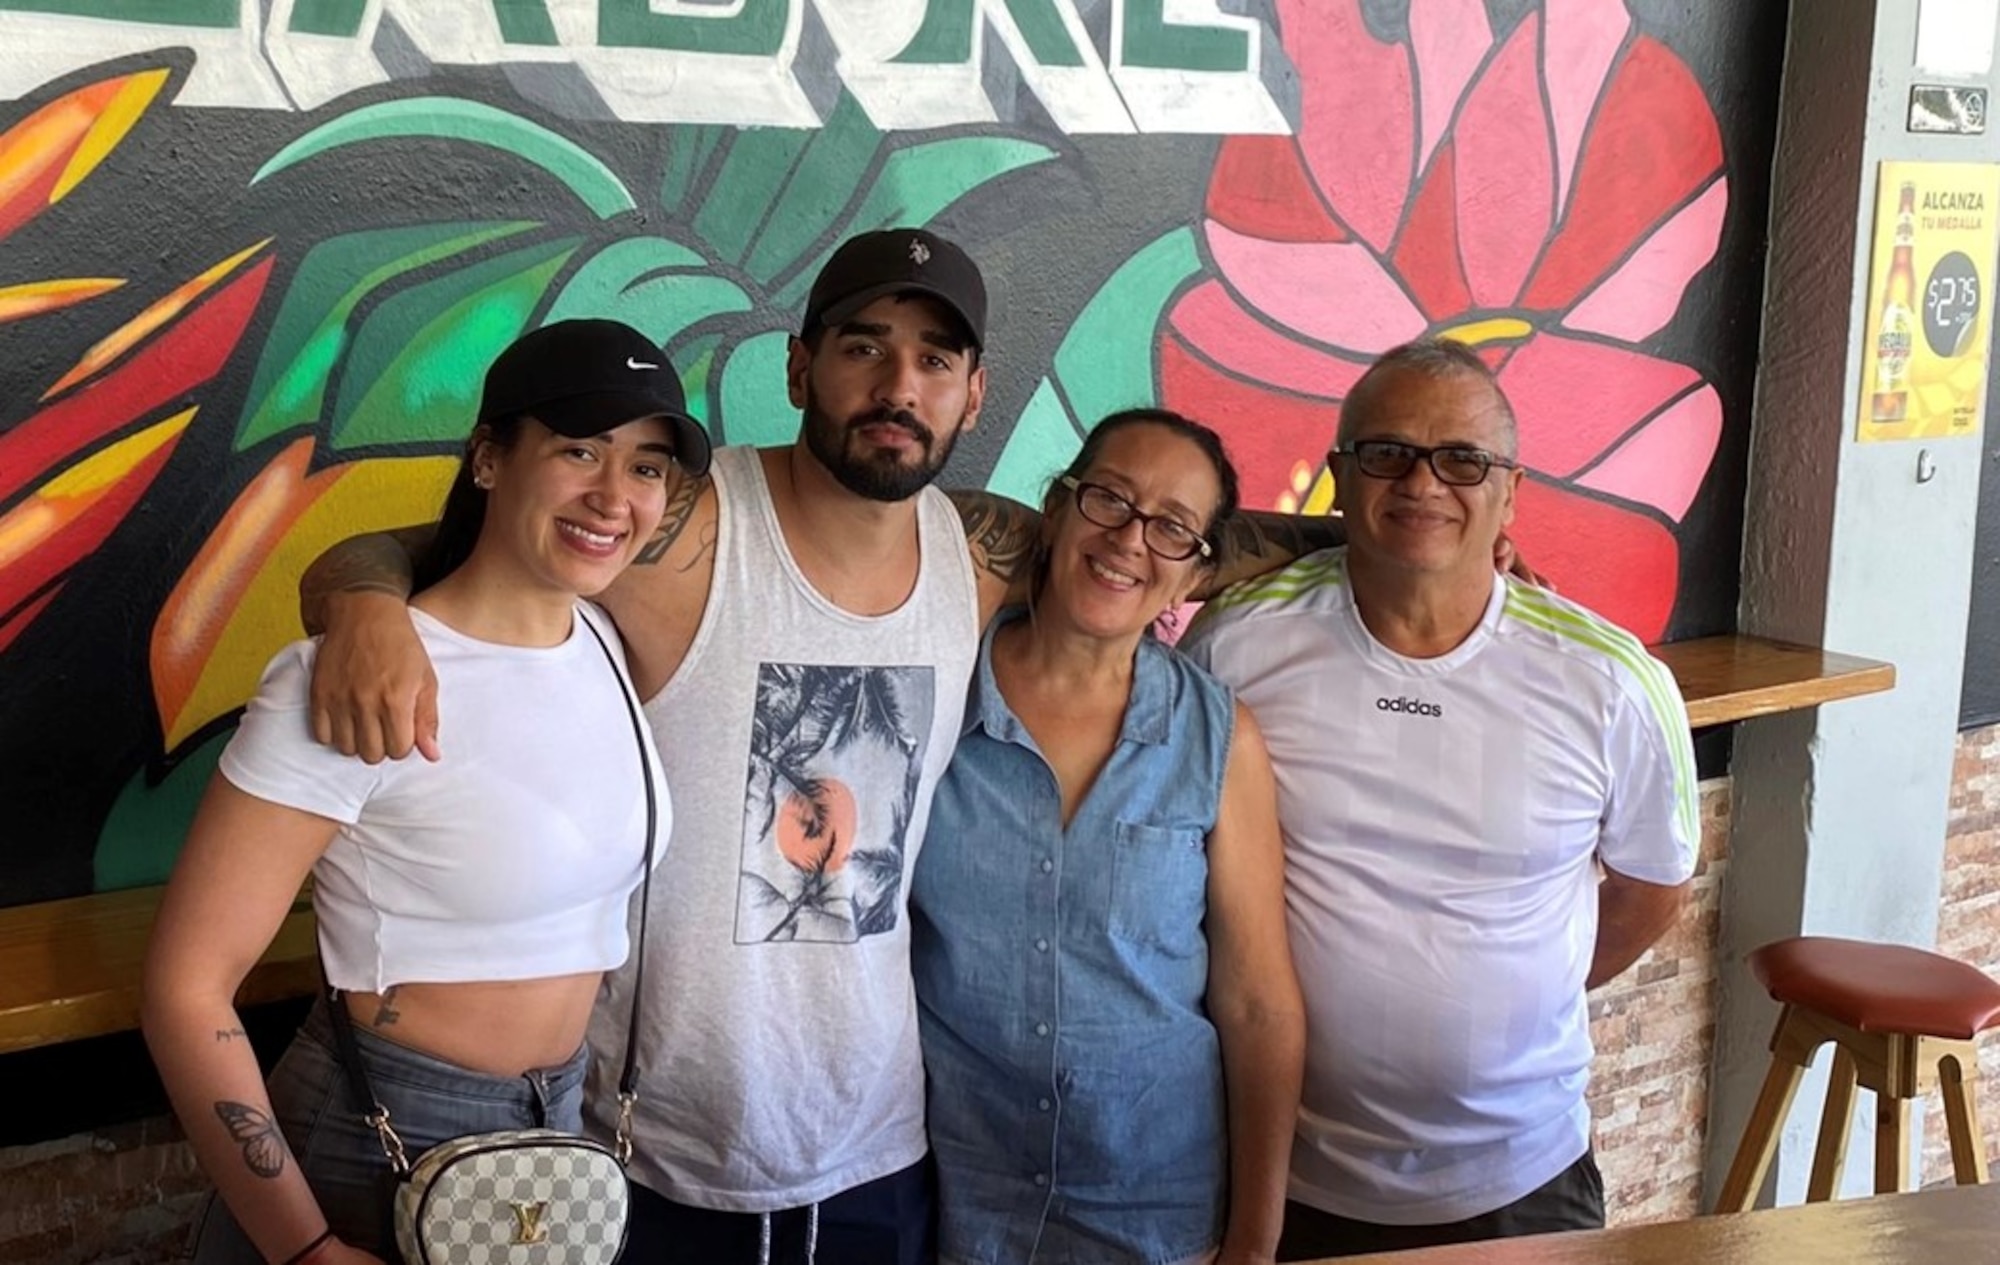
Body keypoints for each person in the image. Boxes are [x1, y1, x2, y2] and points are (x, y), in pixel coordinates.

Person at [298, 229, 1346, 1265]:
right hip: (645, 1148)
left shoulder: (984, 551)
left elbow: (1165, 541)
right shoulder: (680, 524)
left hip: (880, 1159)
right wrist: (365, 605)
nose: (898, 383)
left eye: (934, 360)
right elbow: (463, 540)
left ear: (972, 395)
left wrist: (1393, 532)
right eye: (863, 346)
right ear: (798, 366)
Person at [142, 319, 703, 1264]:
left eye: (647, 467)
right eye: (579, 451)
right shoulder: (346, 681)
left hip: (555, 1135)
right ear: (489, 457)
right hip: (374, 1139)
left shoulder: (607, 643)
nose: (615, 496)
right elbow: (185, 988)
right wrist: (304, 1244)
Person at [1179, 338, 1698, 1259]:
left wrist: (1509, 1004)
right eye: (1386, 453)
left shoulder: (1612, 682)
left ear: (1511, 492)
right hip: (1286, 1172)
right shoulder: (1237, 647)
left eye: (1463, 460)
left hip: (1522, 1175)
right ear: (1339, 477)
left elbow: (1653, 888)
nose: (1423, 483)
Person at [913, 409, 1305, 1265]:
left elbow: (1259, 1004)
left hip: (1157, 1212)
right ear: (1056, 511)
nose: (1130, 539)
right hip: (955, 1206)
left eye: (1171, 527)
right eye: (1110, 499)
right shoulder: (937, 699)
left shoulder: (1218, 740)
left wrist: (1253, 1241)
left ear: (1194, 572)